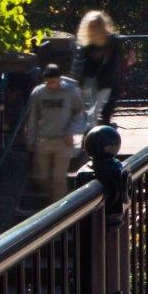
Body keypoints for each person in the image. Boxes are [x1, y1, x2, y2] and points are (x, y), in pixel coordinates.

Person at [25, 63, 87, 204]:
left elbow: (79, 114)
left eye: (53, 82)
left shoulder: (70, 92)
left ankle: (58, 208)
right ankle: (52, 199)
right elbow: (33, 117)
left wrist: (71, 132)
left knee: (59, 178)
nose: (50, 85)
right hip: (43, 139)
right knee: (40, 176)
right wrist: (30, 139)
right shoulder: (39, 93)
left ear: (59, 79)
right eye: (48, 82)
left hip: (63, 141)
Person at [71, 10, 124, 124]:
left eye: (96, 25)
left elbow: (116, 62)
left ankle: (99, 130)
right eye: (91, 26)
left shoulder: (113, 41)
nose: (94, 28)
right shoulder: (87, 43)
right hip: (90, 79)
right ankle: (90, 131)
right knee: (89, 110)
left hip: (106, 80)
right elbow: (81, 63)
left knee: (101, 109)